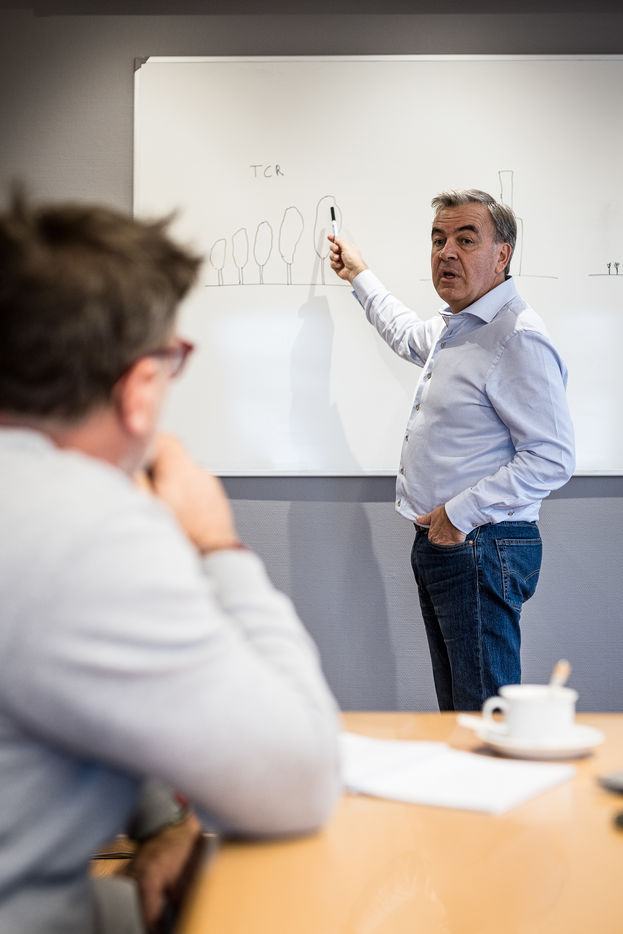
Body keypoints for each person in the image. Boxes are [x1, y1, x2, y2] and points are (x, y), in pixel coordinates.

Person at [0, 190, 340, 933]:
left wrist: (160, 822)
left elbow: (77, 687)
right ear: (139, 388)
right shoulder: (90, 530)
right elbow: (300, 778)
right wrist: (217, 544)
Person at [329, 188, 575, 712]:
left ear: (502, 254)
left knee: (483, 711)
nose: (446, 252)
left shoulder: (517, 336)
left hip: (478, 544)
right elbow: (403, 334)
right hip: (453, 545)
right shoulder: (458, 328)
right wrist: (358, 274)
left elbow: (551, 457)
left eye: (466, 239)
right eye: (438, 239)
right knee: (461, 711)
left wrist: (455, 517)